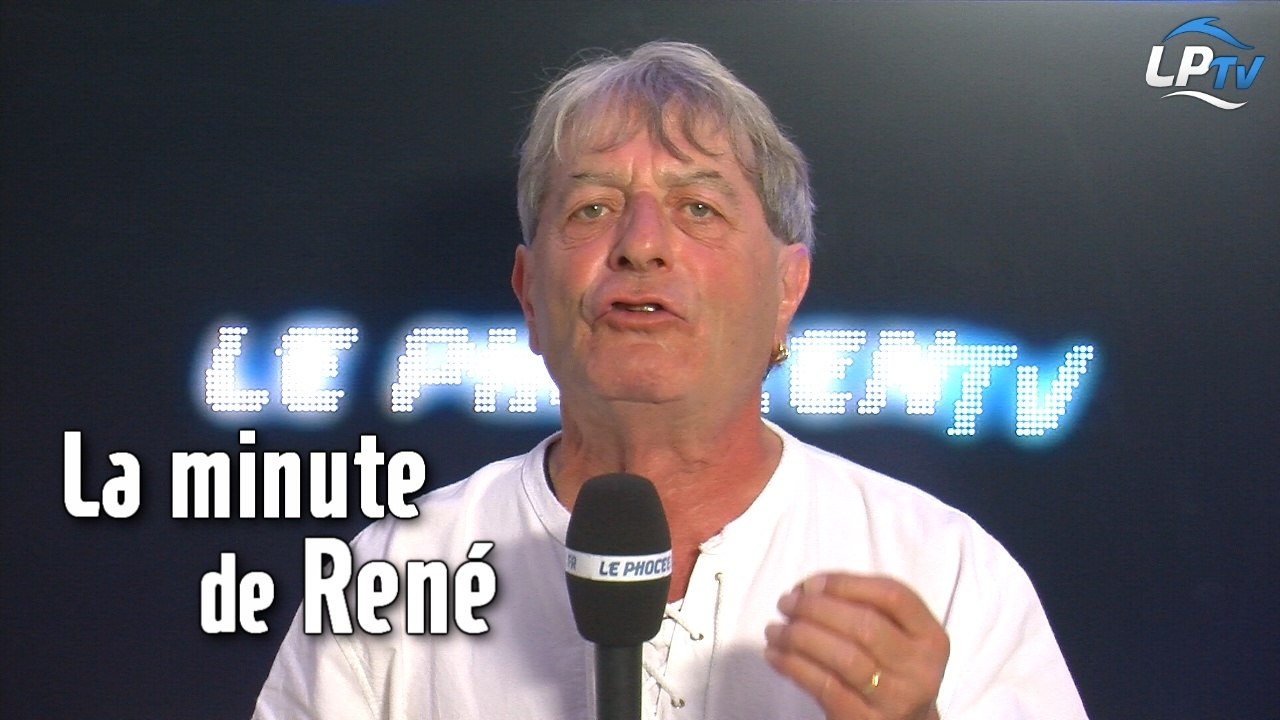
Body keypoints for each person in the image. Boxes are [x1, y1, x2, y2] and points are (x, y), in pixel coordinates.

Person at [253, 41, 1088, 720]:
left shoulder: (939, 568)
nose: (641, 244)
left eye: (698, 208)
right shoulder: (397, 572)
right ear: (529, 295)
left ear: (787, 290)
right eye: (591, 208)